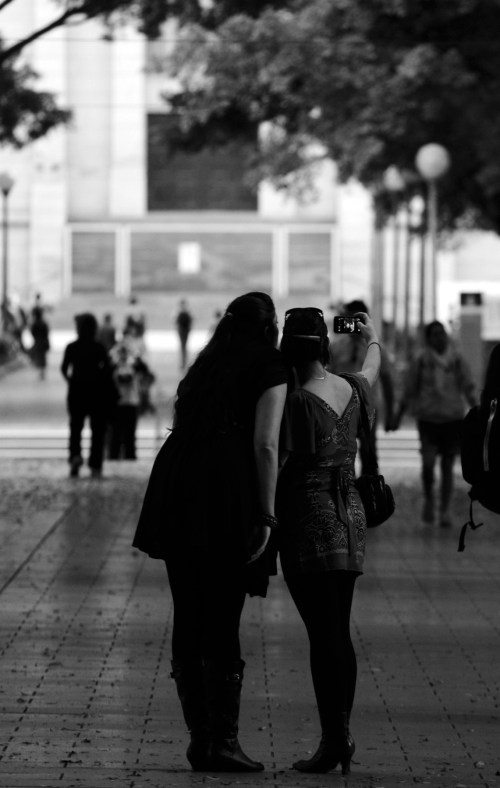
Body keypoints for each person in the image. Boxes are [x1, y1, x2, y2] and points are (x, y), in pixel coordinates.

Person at [132, 292, 287, 773]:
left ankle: (201, 739)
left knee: (189, 611)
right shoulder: (270, 364)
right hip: (225, 490)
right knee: (223, 614)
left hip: (178, 483)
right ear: (270, 328)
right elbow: (265, 444)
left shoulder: (206, 363)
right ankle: (223, 740)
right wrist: (267, 516)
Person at [277, 306, 381, 775]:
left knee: (323, 635)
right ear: (323, 345)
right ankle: (342, 734)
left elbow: (285, 462)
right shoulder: (351, 388)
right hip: (351, 517)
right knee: (339, 628)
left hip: (311, 519)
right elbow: (373, 368)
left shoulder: (297, 401)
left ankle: (333, 740)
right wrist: (370, 335)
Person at [392, 320, 477, 527]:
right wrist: (398, 415)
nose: (440, 337)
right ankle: (429, 498)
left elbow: (468, 386)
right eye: (435, 334)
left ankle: (445, 509)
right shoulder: (421, 360)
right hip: (428, 419)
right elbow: (409, 389)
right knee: (428, 464)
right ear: (429, 338)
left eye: (442, 333)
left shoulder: (456, 360)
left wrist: (478, 413)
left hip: (452, 419)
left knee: (448, 466)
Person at [328, 299, 395, 472]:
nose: (353, 325)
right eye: (349, 319)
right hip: (340, 408)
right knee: (341, 455)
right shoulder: (336, 347)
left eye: (357, 320)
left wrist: (390, 413)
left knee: (368, 453)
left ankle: (369, 486)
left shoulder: (376, 347)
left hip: (367, 408)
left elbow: (387, 380)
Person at [61, 313, 118, 479]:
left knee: (75, 428)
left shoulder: (71, 347)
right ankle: (95, 464)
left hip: (76, 392)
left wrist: (71, 381)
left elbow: (64, 368)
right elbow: (107, 370)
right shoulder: (99, 348)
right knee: (97, 430)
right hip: (96, 393)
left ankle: (75, 457)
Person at [108, 343, 153, 459]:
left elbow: (145, 371)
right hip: (120, 403)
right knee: (117, 434)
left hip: (129, 402)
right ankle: (117, 456)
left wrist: (136, 357)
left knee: (128, 434)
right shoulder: (116, 366)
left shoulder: (132, 365)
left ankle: (127, 456)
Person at [30, 306, 50, 380]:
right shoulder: (43, 323)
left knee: (39, 357)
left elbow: (32, 332)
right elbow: (46, 333)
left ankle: (41, 372)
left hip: (38, 342)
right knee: (42, 357)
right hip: (43, 342)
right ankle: (42, 372)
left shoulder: (35, 324)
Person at [175, 298, 193, 370]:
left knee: (183, 347)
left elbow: (176, 322)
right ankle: (183, 363)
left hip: (184, 331)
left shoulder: (181, 312)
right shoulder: (185, 312)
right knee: (183, 347)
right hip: (183, 331)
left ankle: (183, 363)